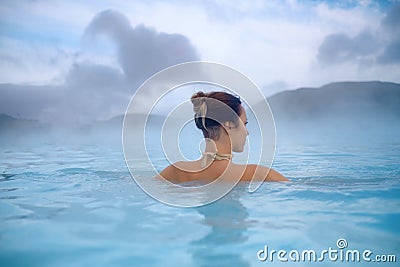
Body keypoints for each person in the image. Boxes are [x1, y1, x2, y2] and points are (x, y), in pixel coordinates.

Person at [158, 91, 288, 183]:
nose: (247, 132)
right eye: (244, 124)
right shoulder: (257, 175)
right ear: (229, 125)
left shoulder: (175, 171)